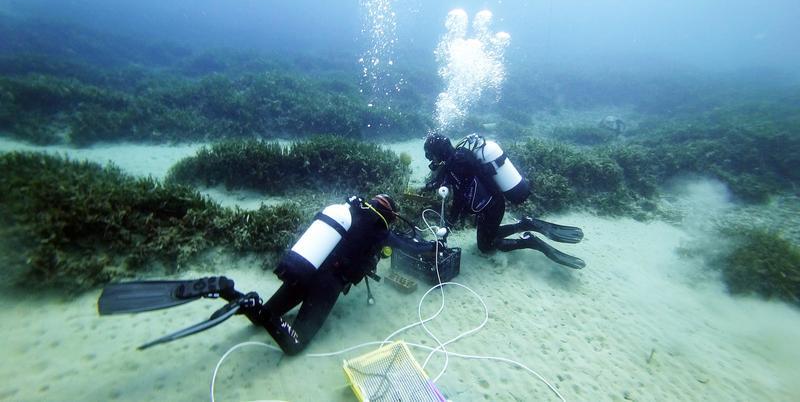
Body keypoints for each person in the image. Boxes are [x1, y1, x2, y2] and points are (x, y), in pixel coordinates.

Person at [99, 194, 417, 355]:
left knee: (263, 317)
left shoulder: (349, 212)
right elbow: (408, 248)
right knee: (295, 343)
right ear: (389, 215)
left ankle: (231, 291)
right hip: (327, 283)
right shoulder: (381, 231)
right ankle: (253, 306)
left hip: (305, 267)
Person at [423, 132, 586, 269]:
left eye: (432, 155)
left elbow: (459, 199)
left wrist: (448, 226)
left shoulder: (457, 164)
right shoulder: (459, 157)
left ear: (439, 152)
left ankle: (531, 241)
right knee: (489, 236)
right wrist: (433, 184)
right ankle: (525, 224)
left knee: (486, 247)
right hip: (491, 205)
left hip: (492, 208)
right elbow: (445, 177)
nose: (432, 160)